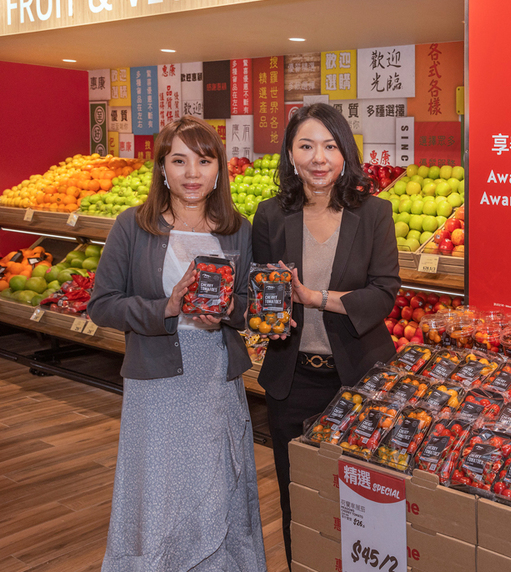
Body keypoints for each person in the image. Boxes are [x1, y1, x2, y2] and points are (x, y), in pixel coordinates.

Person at [89, 116, 266, 571]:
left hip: (214, 378)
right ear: (162, 168)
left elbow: (247, 303)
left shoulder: (237, 229)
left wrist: (227, 312)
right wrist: (165, 309)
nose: (192, 173)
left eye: (204, 161)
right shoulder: (133, 226)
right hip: (156, 381)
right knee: (159, 486)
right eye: (179, 160)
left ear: (218, 169)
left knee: (216, 479)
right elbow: (102, 305)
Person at [252, 103, 400, 566]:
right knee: (298, 496)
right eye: (307, 146)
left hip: (358, 381)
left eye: (330, 146)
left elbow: (384, 292)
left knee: (365, 501)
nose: (319, 158)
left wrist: (314, 297)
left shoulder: (374, 212)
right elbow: (260, 292)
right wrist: (267, 302)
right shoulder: (270, 215)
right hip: (290, 380)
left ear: (344, 154)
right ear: (291, 156)